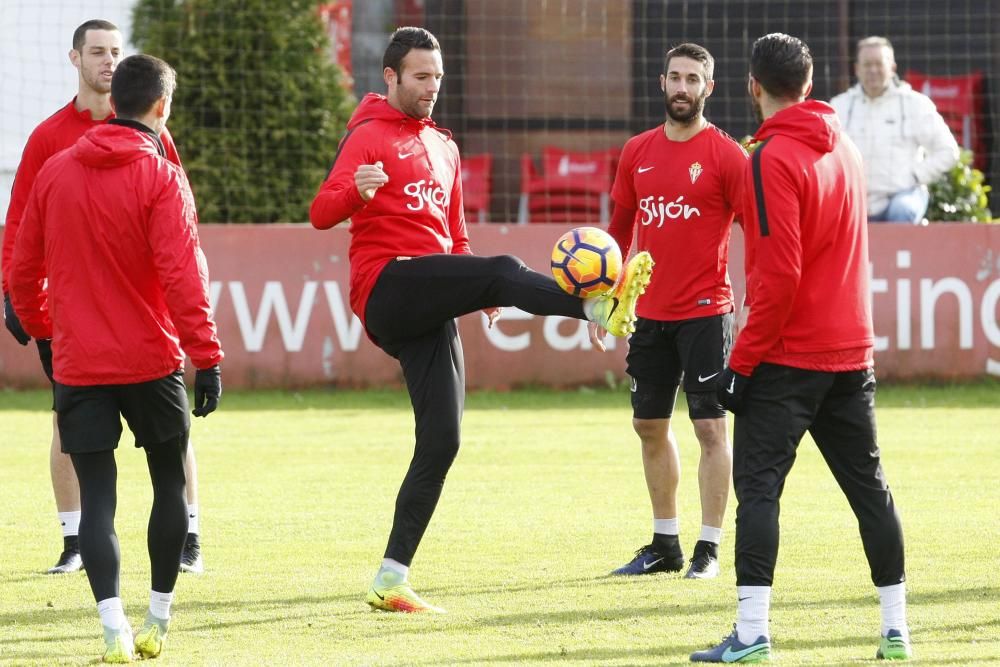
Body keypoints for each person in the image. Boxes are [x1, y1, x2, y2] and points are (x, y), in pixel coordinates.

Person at [310, 26, 653, 614]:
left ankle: (390, 577)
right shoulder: (365, 136)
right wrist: (354, 194)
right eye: (420, 76)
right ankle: (595, 304)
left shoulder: (444, 146)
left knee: (443, 439)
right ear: (390, 76)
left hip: (432, 293)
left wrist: (480, 289)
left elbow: (455, 234)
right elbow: (320, 213)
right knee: (501, 266)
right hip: (387, 286)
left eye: (438, 77)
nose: (432, 87)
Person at [690, 33, 910, 663]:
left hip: (789, 356)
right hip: (851, 352)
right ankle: (896, 630)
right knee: (871, 492)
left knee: (758, 491)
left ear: (751, 86)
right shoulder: (846, 146)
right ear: (810, 87)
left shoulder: (769, 157)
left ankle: (753, 634)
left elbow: (779, 275)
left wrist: (741, 363)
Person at [9, 53, 223, 663]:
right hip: (152, 361)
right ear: (161, 107)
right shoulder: (161, 177)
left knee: (97, 498)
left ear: (112, 103)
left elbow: (23, 273)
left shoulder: (54, 172)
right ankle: (157, 618)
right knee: (167, 484)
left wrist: (47, 331)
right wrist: (205, 358)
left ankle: (113, 630)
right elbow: (184, 279)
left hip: (80, 365)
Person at [599, 43, 747, 580]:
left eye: (694, 80)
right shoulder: (637, 151)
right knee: (648, 425)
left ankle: (709, 549)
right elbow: (615, 235)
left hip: (707, 311)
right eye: (675, 78)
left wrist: (754, 308)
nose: (683, 88)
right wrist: (605, 300)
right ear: (662, 83)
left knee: (710, 428)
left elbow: (759, 232)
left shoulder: (728, 156)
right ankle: (666, 544)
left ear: (709, 88)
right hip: (648, 312)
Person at [830, 36, 958, 224]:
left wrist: (915, 175)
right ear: (857, 69)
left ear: (892, 67)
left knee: (902, 211)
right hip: (854, 199)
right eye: (867, 65)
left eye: (879, 64)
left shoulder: (915, 104)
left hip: (901, 196)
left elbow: (948, 151)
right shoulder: (839, 106)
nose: (873, 70)